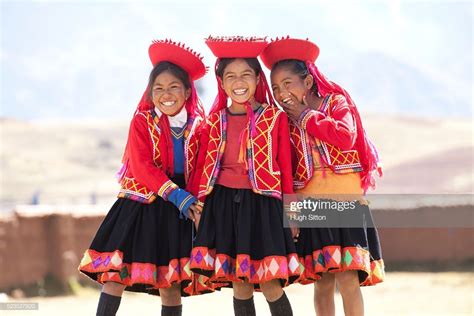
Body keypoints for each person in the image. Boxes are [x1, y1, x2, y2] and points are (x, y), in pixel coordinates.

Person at [78, 39, 209, 316]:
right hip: (141, 204)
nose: (166, 94)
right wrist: (179, 196)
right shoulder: (142, 120)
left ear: (187, 91)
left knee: (171, 283)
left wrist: (195, 204)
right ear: (150, 93)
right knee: (116, 275)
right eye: (158, 88)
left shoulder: (199, 126)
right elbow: (140, 165)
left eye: (174, 86)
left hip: (177, 211)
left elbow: (199, 169)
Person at [261, 36, 385, 316]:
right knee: (323, 281)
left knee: (348, 279)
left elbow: (345, 137)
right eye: (276, 88)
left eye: (287, 83)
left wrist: (306, 115)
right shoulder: (284, 122)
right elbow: (287, 171)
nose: (281, 93)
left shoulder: (336, 104)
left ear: (307, 82)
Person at [188, 36, 300, 316]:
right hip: (223, 205)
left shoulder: (275, 118)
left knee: (270, 281)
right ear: (222, 83)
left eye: (246, 75)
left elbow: (286, 168)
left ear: (257, 79)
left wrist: (293, 212)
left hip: (263, 206)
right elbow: (204, 169)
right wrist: (200, 207)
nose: (239, 82)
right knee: (240, 284)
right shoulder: (213, 122)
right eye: (231, 76)